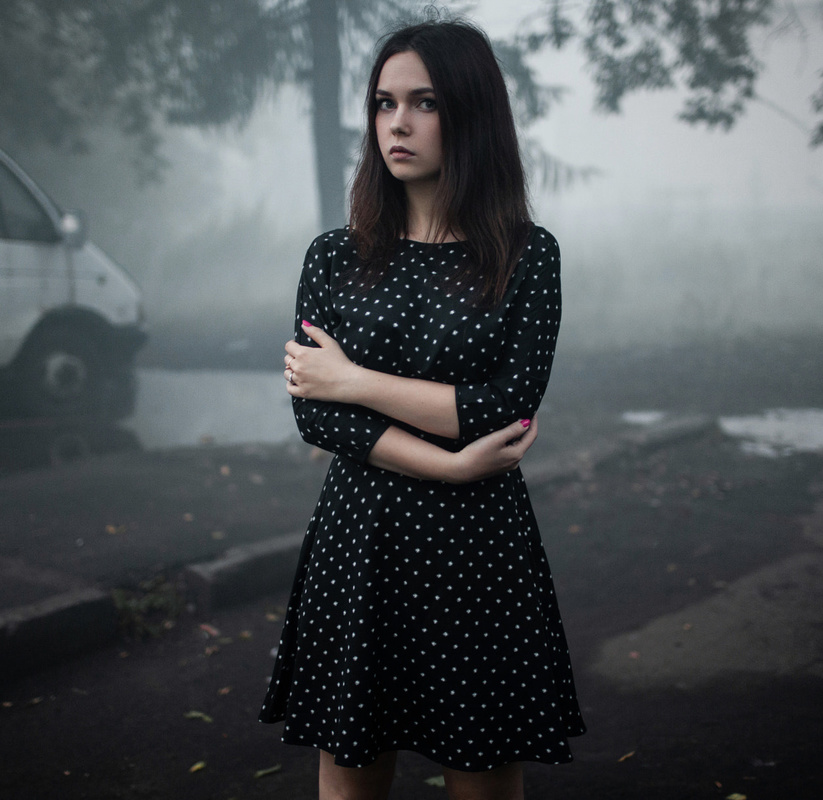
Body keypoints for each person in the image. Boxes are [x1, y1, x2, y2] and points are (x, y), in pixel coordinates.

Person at [259, 17, 585, 800]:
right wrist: (447, 460)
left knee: (476, 766)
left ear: (470, 113)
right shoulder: (334, 255)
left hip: (476, 549)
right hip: (361, 537)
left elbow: (503, 407)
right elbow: (315, 413)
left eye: (424, 102)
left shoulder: (524, 255)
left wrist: (356, 380)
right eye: (383, 103)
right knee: (350, 763)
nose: (396, 123)